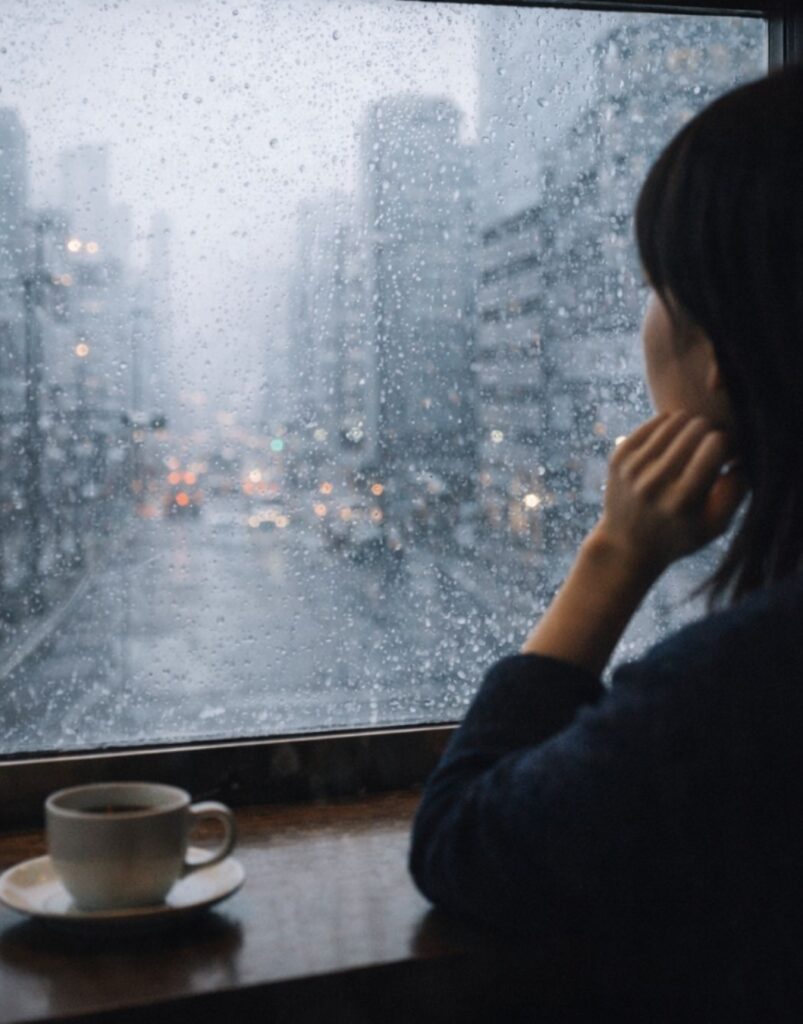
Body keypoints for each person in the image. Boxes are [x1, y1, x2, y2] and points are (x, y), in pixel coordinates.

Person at [409, 64, 803, 1019]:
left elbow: (464, 845)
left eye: (656, 288)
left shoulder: (741, 685)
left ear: (717, 346)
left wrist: (614, 556)